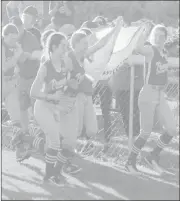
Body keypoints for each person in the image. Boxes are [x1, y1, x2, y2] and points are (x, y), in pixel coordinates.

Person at [125, 24, 178, 174]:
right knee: (145, 132)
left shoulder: (164, 53)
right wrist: (143, 31)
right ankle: (130, 161)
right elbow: (138, 48)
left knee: (172, 129)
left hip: (160, 94)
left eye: (162, 36)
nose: (159, 39)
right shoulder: (151, 50)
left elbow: (164, 75)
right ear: (152, 36)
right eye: (156, 35)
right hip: (148, 93)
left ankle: (153, 155)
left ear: (166, 38)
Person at [30, 32, 80, 185]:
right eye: (63, 46)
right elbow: (33, 92)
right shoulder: (45, 67)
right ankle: (49, 176)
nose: (66, 48)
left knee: (66, 143)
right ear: (54, 47)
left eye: (67, 45)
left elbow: (66, 85)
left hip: (55, 108)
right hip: (43, 107)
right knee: (55, 143)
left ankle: (55, 173)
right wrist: (50, 97)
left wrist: (73, 84)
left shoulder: (65, 65)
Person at [69, 17, 124, 144]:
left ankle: (71, 146)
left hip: (87, 96)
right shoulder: (68, 57)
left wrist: (115, 29)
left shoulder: (84, 54)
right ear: (76, 44)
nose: (87, 45)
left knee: (92, 130)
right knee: (76, 130)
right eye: (84, 43)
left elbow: (101, 44)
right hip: (75, 96)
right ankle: (66, 151)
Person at [10, 16, 42, 161]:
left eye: (19, 29)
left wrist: (27, 55)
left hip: (33, 78)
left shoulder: (30, 38)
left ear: (22, 27)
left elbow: (36, 55)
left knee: (37, 111)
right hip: (20, 79)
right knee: (23, 110)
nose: (17, 33)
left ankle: (39, 143)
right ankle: (24, 139)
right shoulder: (9, 39)